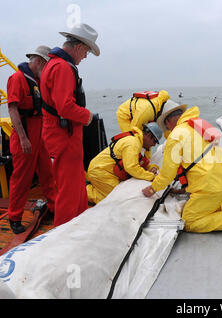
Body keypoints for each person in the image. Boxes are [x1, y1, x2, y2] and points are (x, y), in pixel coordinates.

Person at [141, 103, 222, 234]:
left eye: (166, 126)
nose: (167, 129)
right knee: (206, 206)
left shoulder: (175, 136)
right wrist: (182, 191)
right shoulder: (197, 126)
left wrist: (152, 189)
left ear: (168, 121)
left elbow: (167, 174)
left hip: (209, 187)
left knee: (189, 220)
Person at [40, 23, 100, 227]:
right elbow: (65, 106)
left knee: (76, 187)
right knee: (68, 191)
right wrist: (87, 116)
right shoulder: (63, 68)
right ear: (79, 47)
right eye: (87, 53)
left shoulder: (54, 65)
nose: (85, 57)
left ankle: (80, 226)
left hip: (63, 135)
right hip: (64, 136)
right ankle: (63, 237)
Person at [6, 46, 56, 234]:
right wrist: (23, 138)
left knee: (47, 172)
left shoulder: (36, 81)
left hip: (39, 133)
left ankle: (53, 206)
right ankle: (15, 217)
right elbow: (12, 109)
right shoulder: (17, 79)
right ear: (39, 62)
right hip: (24, 135)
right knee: (22, 179)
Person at [86, 123, 162, 204]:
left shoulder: (141, 146)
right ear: (149, 135)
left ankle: (91, 188)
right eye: (155, 141)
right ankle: (83, 192)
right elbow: (131, 167)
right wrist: (151, 176)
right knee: (114, 198)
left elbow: (142, 164)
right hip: (100, 171)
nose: (154, 145)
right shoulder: (132, 143)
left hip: (108, 173)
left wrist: (153, 168)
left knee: (118, 196)